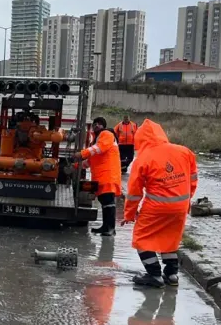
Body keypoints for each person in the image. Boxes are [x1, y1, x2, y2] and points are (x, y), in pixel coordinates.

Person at [121, 119, 198, 288]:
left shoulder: (143, 159)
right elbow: (192, 179)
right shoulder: (184, 151)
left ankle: (154, 274)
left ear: (140, 139)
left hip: (156, 206)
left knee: (141, 239)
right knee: (169, 238)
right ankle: (171, 275)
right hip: (181, 206)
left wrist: (129, 214)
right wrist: (186, 199)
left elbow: (134, 192)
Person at [73, 117, 122, 236]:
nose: (96, 125)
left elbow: (99, 149)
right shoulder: (97, 140)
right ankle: (106, 227)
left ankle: (110, 228)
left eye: (99, 124)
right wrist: (75, 165)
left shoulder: (106, 134)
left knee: (109, 203)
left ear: (103, 126)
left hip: (108, 175)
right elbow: (90, 161)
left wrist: (81, 154)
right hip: (101, 176)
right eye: (95, 123)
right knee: (105, 202)